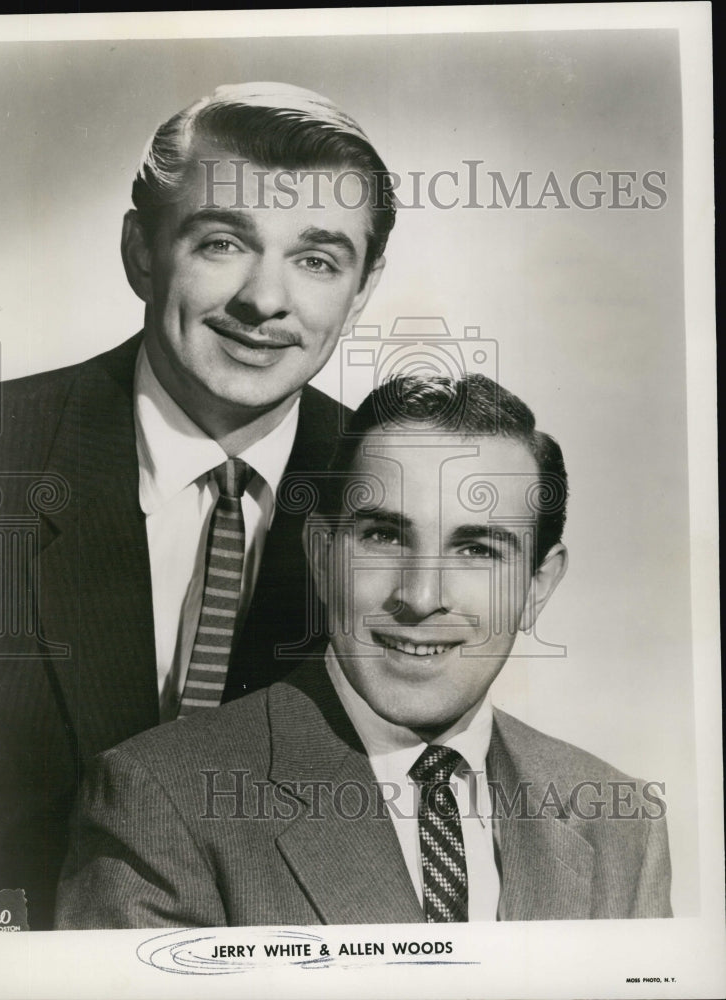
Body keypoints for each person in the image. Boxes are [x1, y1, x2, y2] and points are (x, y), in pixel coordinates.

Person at [0, 82, 395, 929]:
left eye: (316, 259)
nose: (264, 302)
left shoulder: (393, 495)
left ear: (364, 285)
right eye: (223, 242)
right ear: (141, 252)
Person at [55, 373, 672, 928]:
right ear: (323, 558)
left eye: (477, 549)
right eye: (383, 536)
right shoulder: (160, 801)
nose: (422, 597)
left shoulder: (619, 820)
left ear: (538, 585)